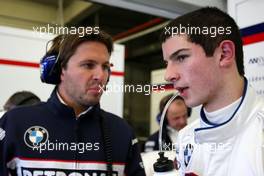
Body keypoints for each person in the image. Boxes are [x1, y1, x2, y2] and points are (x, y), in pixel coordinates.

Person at [0, 31, 145, 176]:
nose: (100, 76)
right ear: (60, 70)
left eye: (105, 67)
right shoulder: (14, 123)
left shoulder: (122, 131)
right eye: (88, 65)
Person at [160, 7, 264, 176]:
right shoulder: (186, 137)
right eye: (167, 63)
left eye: (181, 57)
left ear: (224, 54)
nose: (168, 75)